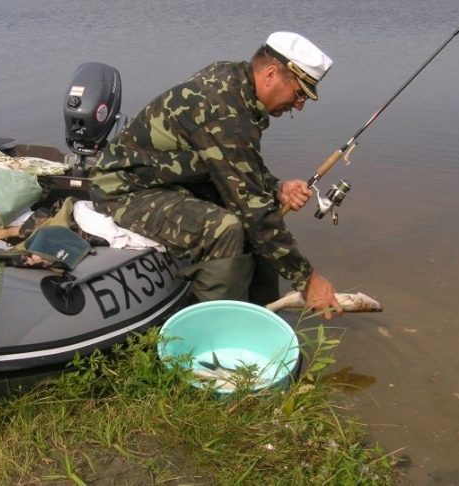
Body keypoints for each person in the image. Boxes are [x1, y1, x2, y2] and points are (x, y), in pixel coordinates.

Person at [89, 31, 342, 319]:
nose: (299, 105)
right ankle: (216, 327)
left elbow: (237, 161)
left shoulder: (233, 79)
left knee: (260, 208)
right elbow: (253, 210)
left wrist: (276, 187)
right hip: (125, 189)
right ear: (271, 74)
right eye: (299, 93)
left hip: (170, 181)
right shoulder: (223, 108)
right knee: (225, 228)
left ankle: (260, 313)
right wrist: (307, 280)